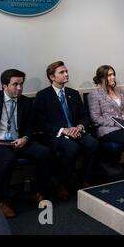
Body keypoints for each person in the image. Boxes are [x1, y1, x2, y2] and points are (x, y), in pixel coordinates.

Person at [0, 69, 51, 218]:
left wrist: (25, 138)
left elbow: (30, 126)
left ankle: (37, 192)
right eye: (15, 84)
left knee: (44, 152)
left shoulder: (26, 102)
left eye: (21, 84)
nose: (20, 88)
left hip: (18, 141)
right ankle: (1, 200)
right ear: (4, 85)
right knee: (9, 159)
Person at [34, 61, 99, 200]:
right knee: (72, 148)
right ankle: (62, 184)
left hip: (76, 131)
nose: (66, 74)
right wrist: (63, 130)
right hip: (56, 135)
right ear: (52, 77)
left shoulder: (73, 93)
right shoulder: (43, 96)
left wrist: (80, 127)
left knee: (93, 144)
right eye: (62, 72)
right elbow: (40, 123)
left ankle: (86, 180)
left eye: (66, 71)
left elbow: (84, 116)